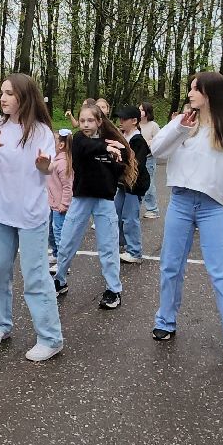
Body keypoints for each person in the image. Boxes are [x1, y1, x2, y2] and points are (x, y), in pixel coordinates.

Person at [147, 71, 223, 362]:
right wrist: (180, 128)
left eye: (196, 89)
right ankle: (165, 321)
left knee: (221, 272)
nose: (190, 94)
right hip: (180, 202)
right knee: (170, 265)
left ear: (210, 94)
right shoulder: (183, 121)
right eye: (191, 89)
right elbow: (156, 152)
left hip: (212, 207)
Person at [0, 73, 63, 362]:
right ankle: (0, 325)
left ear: (24, 96)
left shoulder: (41, 132)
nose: (3, 97)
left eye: (9, 93)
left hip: (31, 215)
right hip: (0, 214)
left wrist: (44, 165)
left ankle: (50, 338)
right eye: (2, 93)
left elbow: (47, 169)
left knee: (35, 277)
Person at [55, 101, 132, 309]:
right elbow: (87, 148)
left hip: (105, 200)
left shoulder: (113, 141)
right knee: (67, 241)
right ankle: (59, 280)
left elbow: (119, 168)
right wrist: (106, 148)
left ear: (99, 121)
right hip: (81, 199)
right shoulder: (78, 140)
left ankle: (113, 290)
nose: (86, 124)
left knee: (108, 246)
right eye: (82, 120)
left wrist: (117, 156)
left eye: (90, 120)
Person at [114, 105, 153, 263]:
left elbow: (137, 164)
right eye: (120, 118)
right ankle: (121, 243)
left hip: (135, 185)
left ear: (134, 121)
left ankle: (135, 251)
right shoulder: (123, 136)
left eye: (124, 119)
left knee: (130, 218)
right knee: (116, 213)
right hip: (123, 183)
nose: (121, 121)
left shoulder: (138, 141)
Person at [47, 129, 73, 262]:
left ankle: (63, 261)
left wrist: (64, 203)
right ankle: (56, 253)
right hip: (52, 204)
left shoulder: (63, 163)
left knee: (59, 232)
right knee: (51, 231)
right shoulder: (55, 160)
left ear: (61, 145)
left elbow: (68, 187)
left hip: (60, 206)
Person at [139, 101, 160, 218]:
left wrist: (147, 143)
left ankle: (153, 209)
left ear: (147, 112)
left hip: (149, 158)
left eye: (141, 109)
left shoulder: (154, 125)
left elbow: (159, 140)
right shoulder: (136, 124)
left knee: (149, 183)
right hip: (137, 157)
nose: (139, 111)